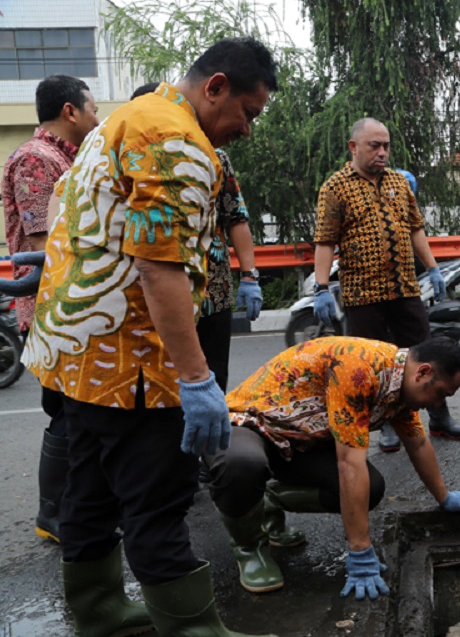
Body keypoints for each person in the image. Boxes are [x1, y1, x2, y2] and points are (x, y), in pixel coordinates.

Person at [22, 37, 279, 636]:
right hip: (132, 366)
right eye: (249, 112)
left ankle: (101, 613)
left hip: (76, 359)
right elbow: (160, 266)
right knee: (157, 500)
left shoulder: (125, 119)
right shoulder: (178, 142)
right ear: (215, 86)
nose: (247, 129)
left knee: (87, 492)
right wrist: (196, 379)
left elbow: (82, 223)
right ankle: (192, 630)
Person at [205, 336, 460, 596]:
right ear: (423, 372)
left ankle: (268, 502)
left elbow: (418, 443)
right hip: (252, 426)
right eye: (441, 394)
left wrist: (444, 497)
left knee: (372, 488)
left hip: (301, 442)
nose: (437, 404)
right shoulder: (360, 367)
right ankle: (249, 547)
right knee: (241, 464)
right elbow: (349, 464)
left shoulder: (400, 388)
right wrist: (360, 549)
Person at [312, 117, 460, 453]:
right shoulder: (335, 187)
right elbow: (325, 241)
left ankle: (440, 418)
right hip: (362, 293)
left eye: (386, 145)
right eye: (375, 145)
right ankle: (385, 424)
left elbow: (416, 229)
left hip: (405, 288)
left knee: (425, 353)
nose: (382, 152)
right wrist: (321, 287)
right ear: (354, 147)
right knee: (373, 363)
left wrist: (433, 269)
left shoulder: (399, 183)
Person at [0, 74, 99, 543]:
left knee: (76, 410)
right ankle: (52, 513)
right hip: (51, 305)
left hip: (71, 300)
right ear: (70, 111)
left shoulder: (67, 159)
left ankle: (74, 506)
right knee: (64, 409)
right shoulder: (37, 161)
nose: (97, 118)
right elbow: (46, 243)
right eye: (92, 108)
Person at [130, 82, 264, 390]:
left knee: (214, 379)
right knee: (163, 389)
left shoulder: (212, 157)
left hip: (212, 295)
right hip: (156, 298)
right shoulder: (129, 159)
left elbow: (236, 218)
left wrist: (249, 276)